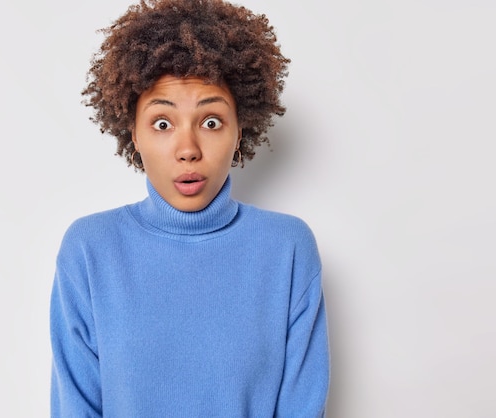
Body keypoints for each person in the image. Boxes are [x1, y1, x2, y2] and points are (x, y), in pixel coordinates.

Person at [49, 0, 329, 416]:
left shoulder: (286, 248)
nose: (187, 150)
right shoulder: (90, 250)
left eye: (211, 121)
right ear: (134, 134)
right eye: (162, 123)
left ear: (240, 130)